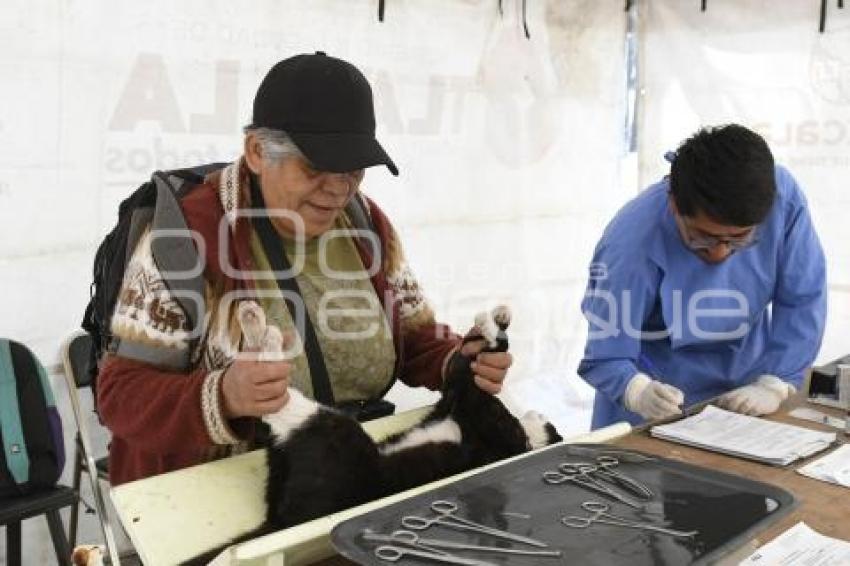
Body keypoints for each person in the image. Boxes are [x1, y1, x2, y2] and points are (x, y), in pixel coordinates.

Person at [97, 52, 512, 485]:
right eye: (316, 166)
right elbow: (121, 394)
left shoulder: (364, 222)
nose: (338, 189)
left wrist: (458, 360)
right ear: (257, 152)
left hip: (343, 468)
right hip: (218, 490)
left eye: (353, 169)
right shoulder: (187, 238)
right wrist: (225, 395)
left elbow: (413, 334)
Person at [578, 124, 826, 429]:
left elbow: (803, 298)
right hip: (657, 404)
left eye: (738, 239)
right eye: (703, 237)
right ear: (674, 205)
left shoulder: (782, 200)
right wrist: (636, 391)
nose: (720, 253)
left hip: (749, 395)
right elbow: (606, 352)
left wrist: (776, 382)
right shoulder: (631, 242)